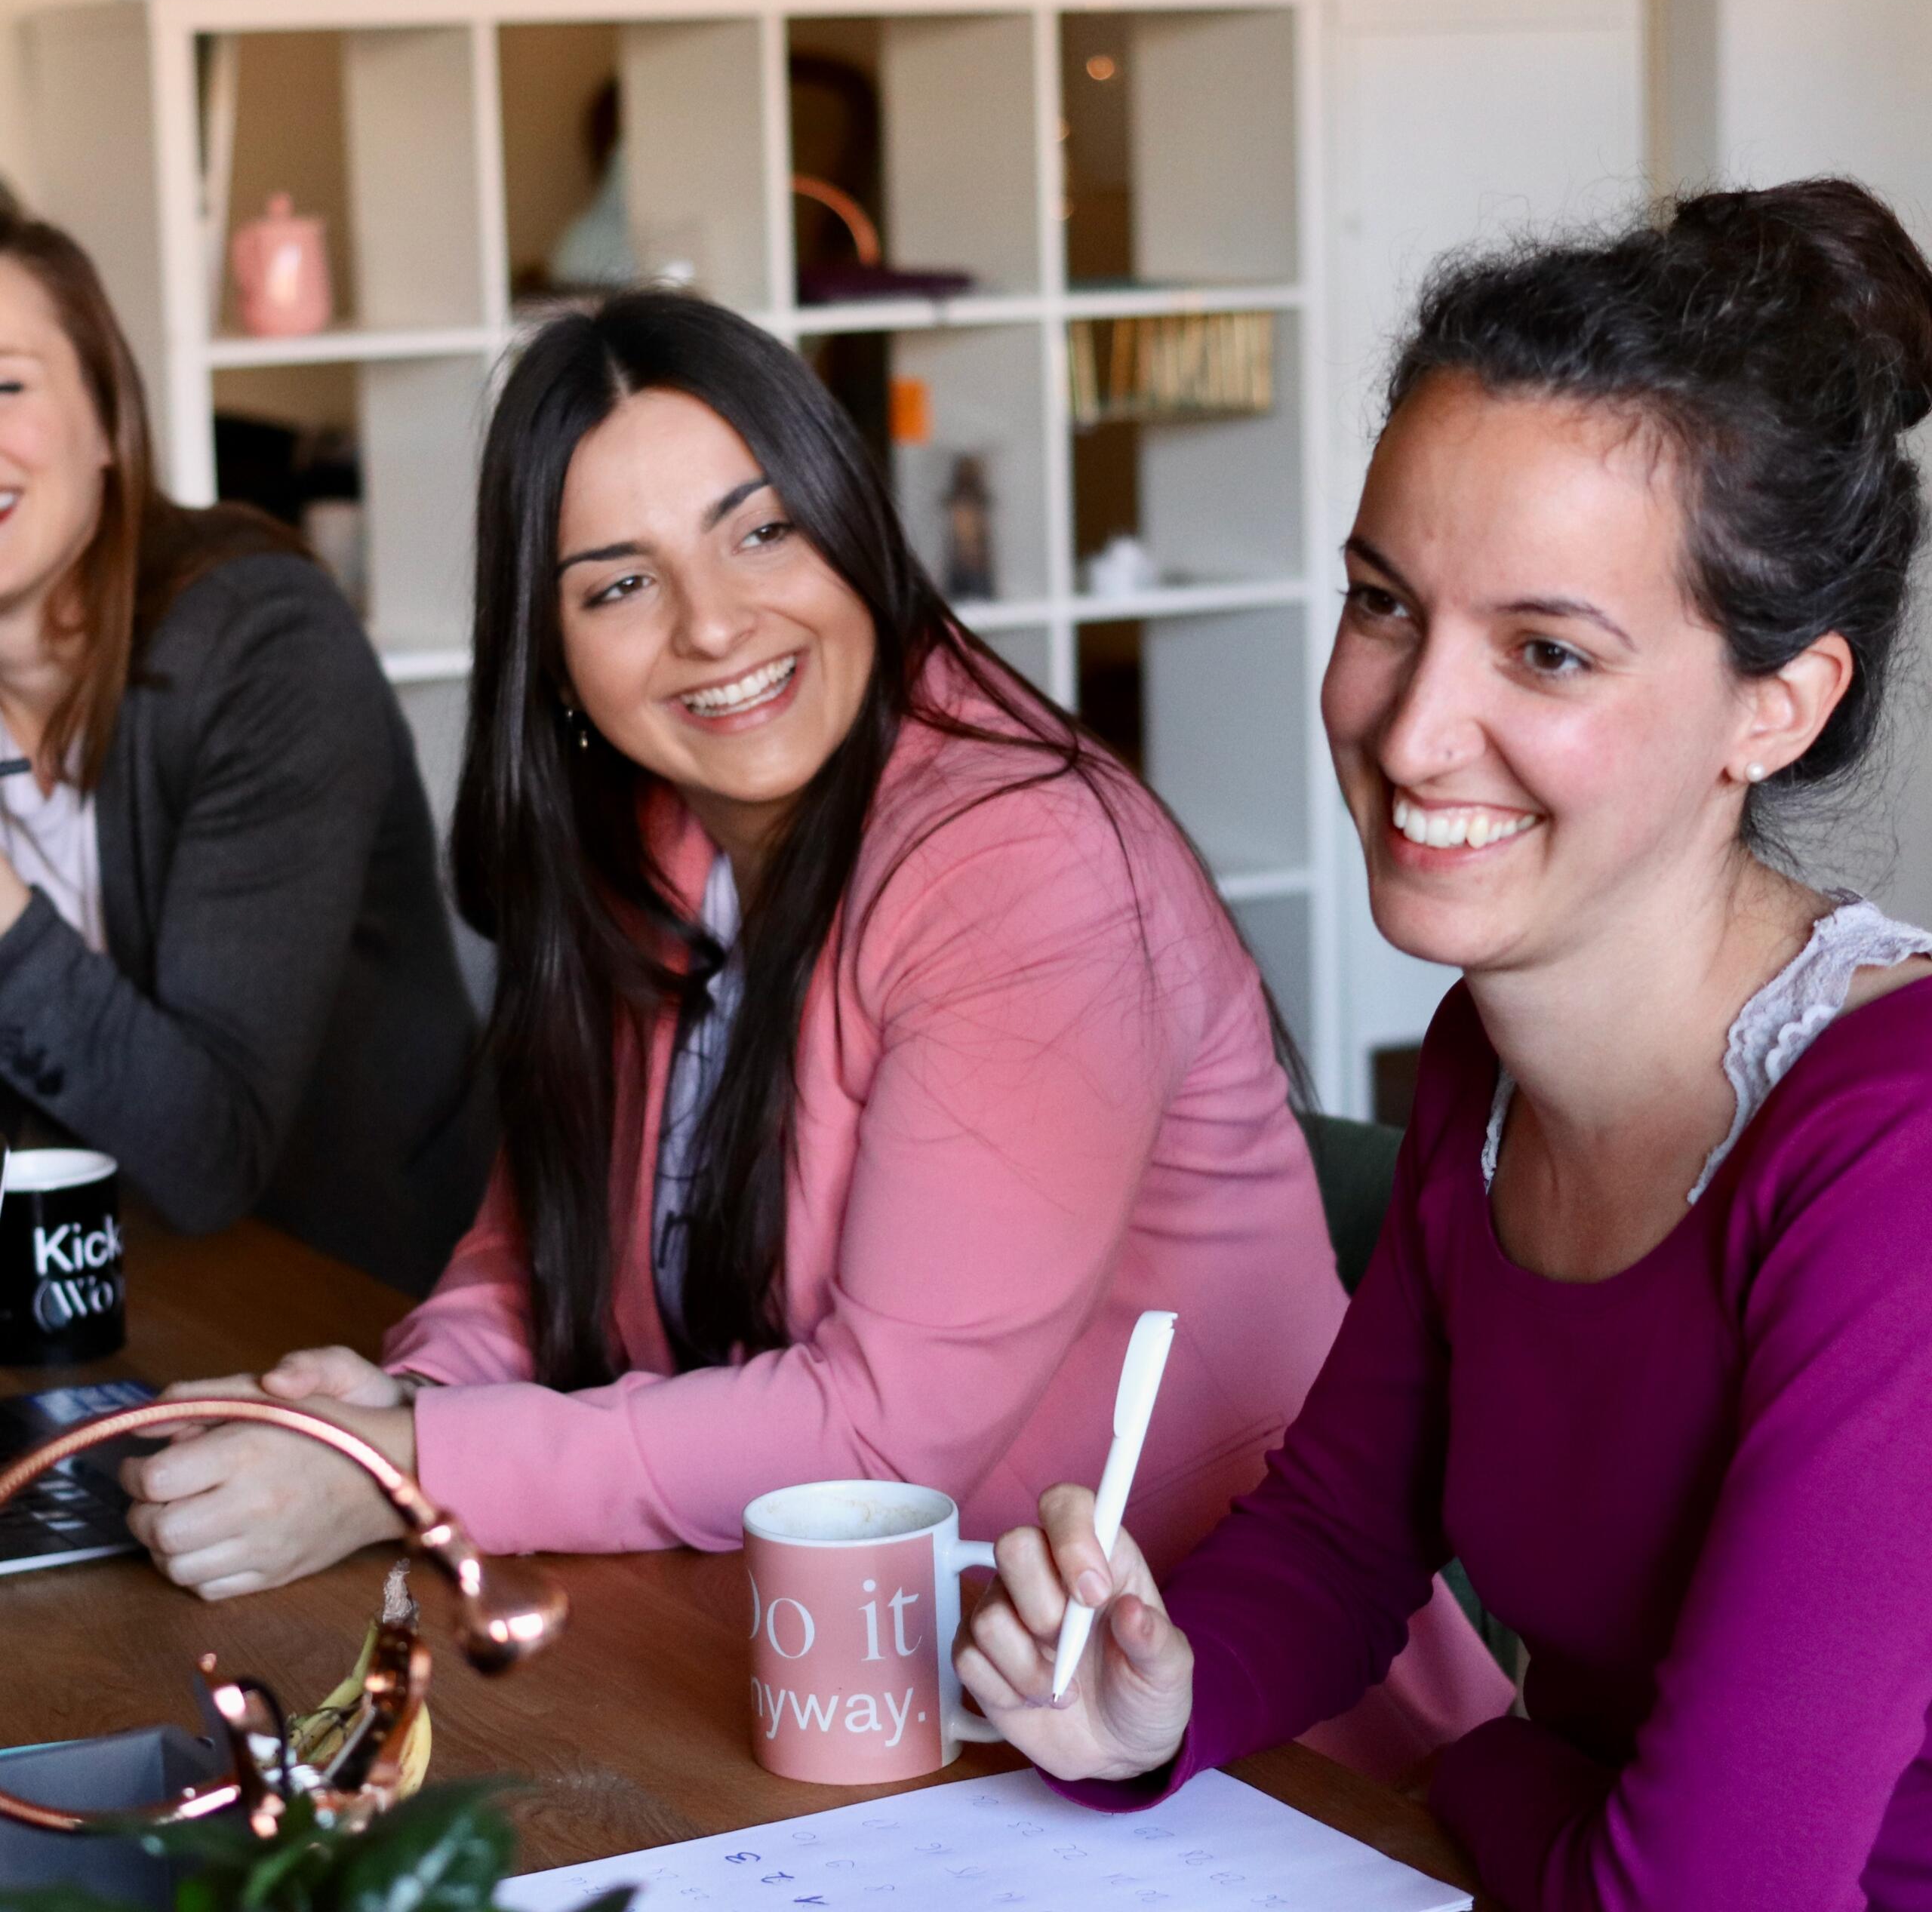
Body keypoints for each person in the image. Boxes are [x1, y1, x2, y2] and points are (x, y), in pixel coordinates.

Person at [121, 288, 1511, 1778]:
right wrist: (397, 1399)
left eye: (760, 527)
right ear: (553, 654)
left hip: (1218, 1737)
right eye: (615, 584)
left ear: (851, 523)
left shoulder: (1018, 859)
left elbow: (884, 1434)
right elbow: (536, 1250)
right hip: (847, 1698)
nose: (714, 621)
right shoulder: (648, 841)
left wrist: (410, 1469)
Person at [956, 179, 1932, 1910]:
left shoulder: (1892, 1158)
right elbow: (1339, 1538)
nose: (1410, 729)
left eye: (1544, 650)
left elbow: (1702, 1893)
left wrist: (1484, 1764)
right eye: (1384, 602)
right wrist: (1147, 1700)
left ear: (1775, 708)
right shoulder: (1486, 1057)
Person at [0, 204, 490, 1291]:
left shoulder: (265, 649)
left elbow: (207, 1153)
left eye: (6, 385)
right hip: (91, 1301)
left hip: (361, 1315)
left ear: (110, 423)